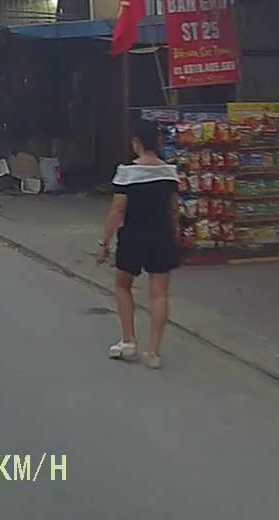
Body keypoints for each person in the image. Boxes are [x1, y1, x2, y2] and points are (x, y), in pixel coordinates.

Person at [96, 119, 180, 370]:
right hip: (161, 235)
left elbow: (117, 210)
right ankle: (153, 352)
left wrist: (104, 242)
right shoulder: (169, 172)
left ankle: (129, 340)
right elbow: (173, 208)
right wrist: (174, 235)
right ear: (158, 142)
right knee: (160, 294)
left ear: (136, 143)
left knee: (123, 285)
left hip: (133, 234)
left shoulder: (127, 173)